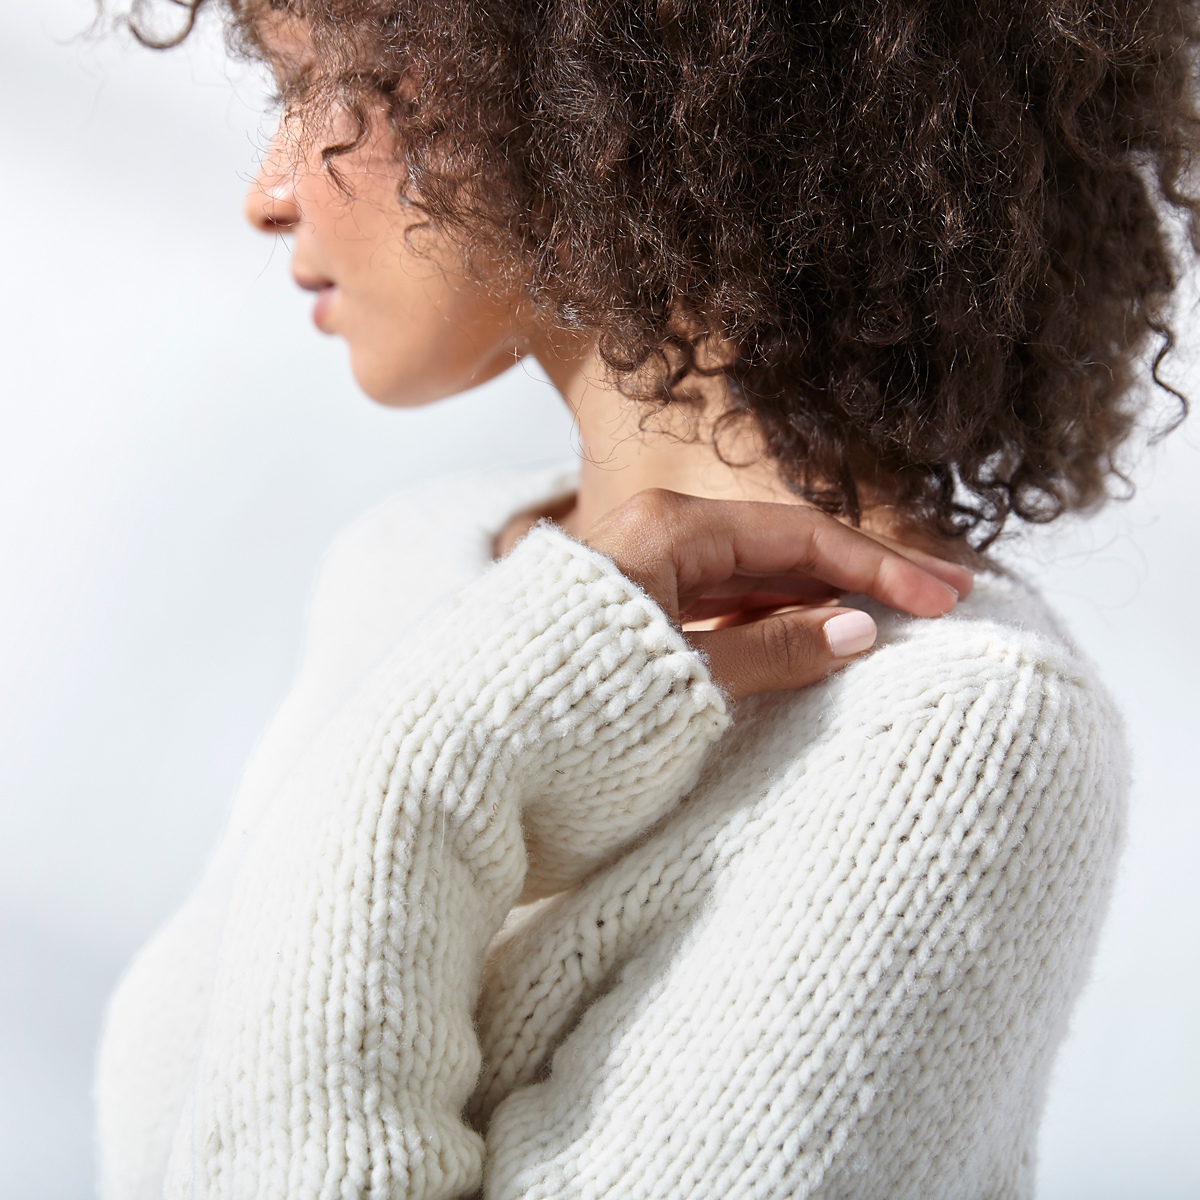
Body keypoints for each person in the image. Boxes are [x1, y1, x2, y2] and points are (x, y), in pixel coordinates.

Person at [94, 0, 1198, 1196]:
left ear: (576, 79)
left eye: (328, 86)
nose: (267, 194)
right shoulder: (409, 563)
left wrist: (421, 775)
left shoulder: (962, 736)